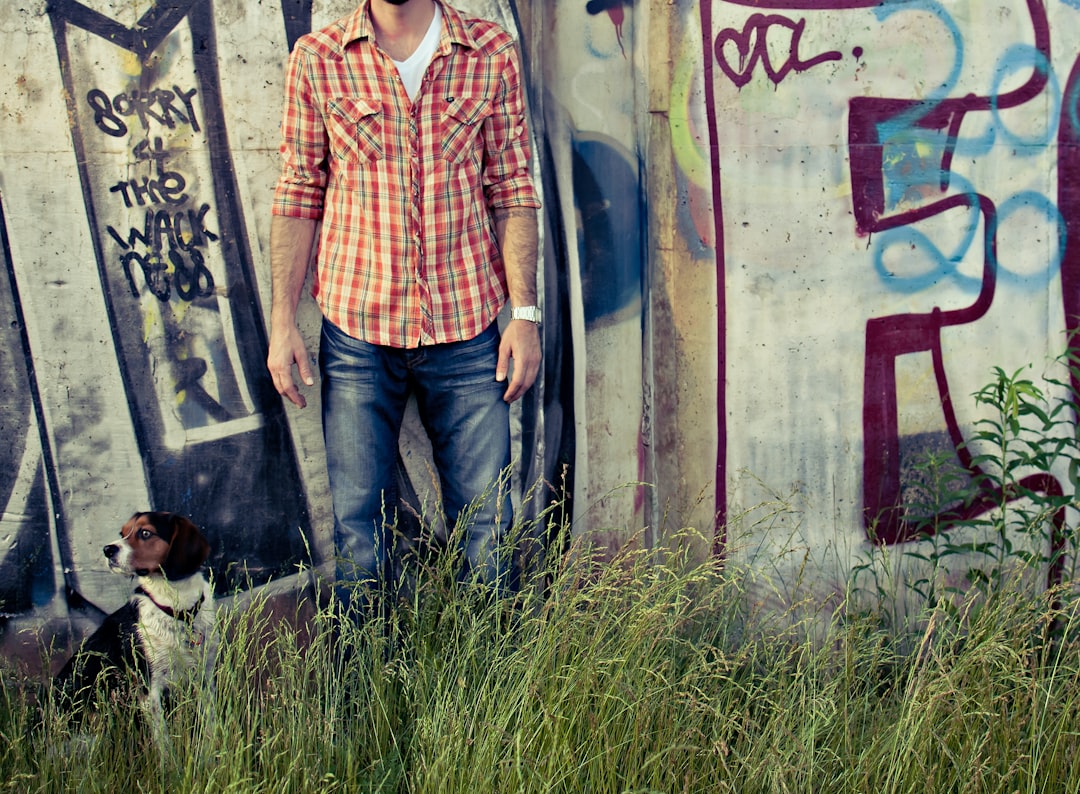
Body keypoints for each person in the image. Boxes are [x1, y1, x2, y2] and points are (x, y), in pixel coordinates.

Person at [267, 0, 541, 606]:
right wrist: (282, 321)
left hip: (469, 333)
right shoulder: (319, 59)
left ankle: (493, 687)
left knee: (488, 526)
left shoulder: (489, 52)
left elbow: (513, 186)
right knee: (359, 532)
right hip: (357, 332)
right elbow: (298, 190)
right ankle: (364, 692)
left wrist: (525, 316)